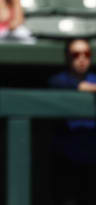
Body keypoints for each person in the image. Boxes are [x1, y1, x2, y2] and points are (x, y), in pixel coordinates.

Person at [48, 38, 96, 205]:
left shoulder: (93, 77)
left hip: (92, 160)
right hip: (67, 160)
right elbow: (79, 86)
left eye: (86, 54)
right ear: (68, 57)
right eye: (76, 54)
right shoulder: (59, 80)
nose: (82, 58)